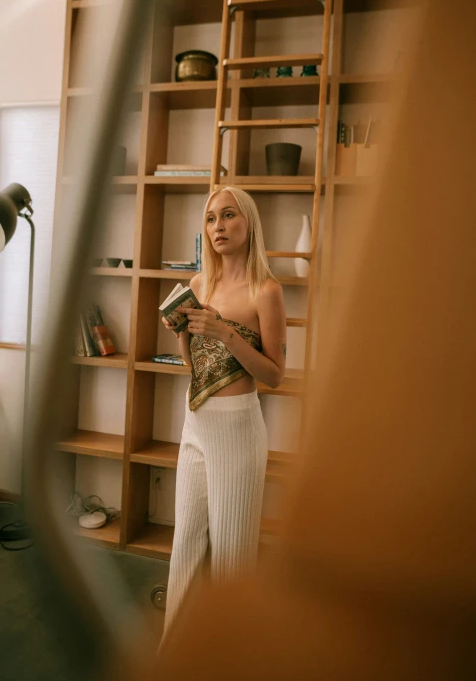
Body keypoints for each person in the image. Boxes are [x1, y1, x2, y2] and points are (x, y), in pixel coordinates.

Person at [159, 186, 287, 643]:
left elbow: (274, 376)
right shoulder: (199, 284)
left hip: (237, 428)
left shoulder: (266, 291)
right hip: (195, 422)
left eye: (228, 216)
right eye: (211, 219)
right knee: (186, 547)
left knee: (233, 557)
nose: (218, 227)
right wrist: (182, 331)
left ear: (248, 222)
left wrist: (225, 333)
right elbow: (194, 367)